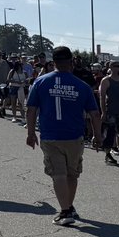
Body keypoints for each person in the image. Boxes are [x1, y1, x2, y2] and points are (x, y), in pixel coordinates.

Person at [25, 46, 102, 226]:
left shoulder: (41, 81)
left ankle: (65, 210)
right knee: (72, 174)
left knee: (58, 174)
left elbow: (31, 109)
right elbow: (95, 114)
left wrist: (30, 133)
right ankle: (68, 206)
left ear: (54, 62)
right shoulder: (81, 86)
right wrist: (98, 136)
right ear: (71, 62)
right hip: (74, 136)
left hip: (50, 135)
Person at [97, 62, 119, 165]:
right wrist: (103, 112)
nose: (118, 68)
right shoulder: (106, 80)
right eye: (116, 66)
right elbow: (102, 97)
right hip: (110, 111)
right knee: (110, 134)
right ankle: (108, 154)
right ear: (111, 68)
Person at [5, 54, 31, 122]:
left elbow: (28, 80)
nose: (22, 66)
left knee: (21, 103)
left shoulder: (24, 72)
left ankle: (23, 117)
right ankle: (14, 116)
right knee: (13, 103)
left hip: (21, 88)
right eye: (20, 65)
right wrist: (16, 81)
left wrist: (25, 81)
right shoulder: (12, 71)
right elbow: (7, 80)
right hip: (13, 87)